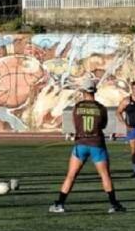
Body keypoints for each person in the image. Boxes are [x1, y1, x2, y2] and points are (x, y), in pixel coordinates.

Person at [50, 82, 125, 214]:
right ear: (94, 91)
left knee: (71, 176)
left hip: (81, 144)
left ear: (83, 91)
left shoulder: (77, 107)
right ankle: (113, 204)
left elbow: (75, 124)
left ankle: (60, 203)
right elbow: (103, 125)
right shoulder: (101, 108)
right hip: (97, 144)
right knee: (105, 175)